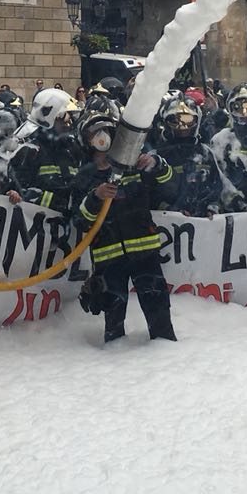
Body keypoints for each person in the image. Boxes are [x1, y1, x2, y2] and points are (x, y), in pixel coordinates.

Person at [72, 105, 175, 343]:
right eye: (94, 132)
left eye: (107, 129)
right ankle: (115, 365)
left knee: (158, 310)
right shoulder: (84, 176)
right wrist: (96, 196)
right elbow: (81, 219)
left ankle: (168, 356)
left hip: (145, 254)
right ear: (86, 139)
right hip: (109, 259)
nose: (102, 137)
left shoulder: (134, 164)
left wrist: (156, 163)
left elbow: (169, 188)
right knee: (113, 318)